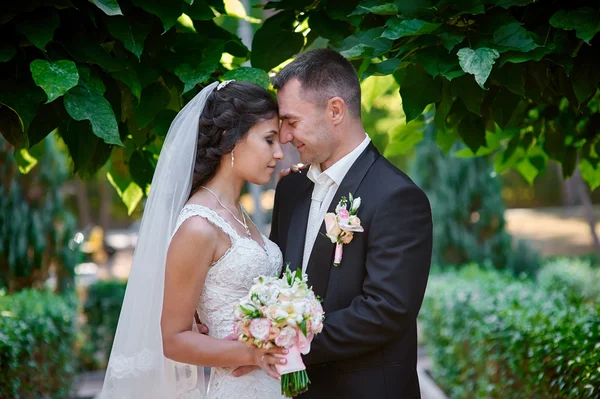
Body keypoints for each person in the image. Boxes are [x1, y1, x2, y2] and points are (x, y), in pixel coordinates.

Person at [235, 49, 434, 398]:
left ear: (336, 110)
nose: (284, 137)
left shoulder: (397, 197)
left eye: (292, 122)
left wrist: (284, 342)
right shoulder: (291, 188)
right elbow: (277, 278)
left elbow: (386, 311)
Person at [99, 80, 288, 399]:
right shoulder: (199, 225)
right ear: (232, 138)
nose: (279, 153)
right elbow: (173, 338)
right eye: (269, 140)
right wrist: (252, 354)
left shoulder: (239, 213)